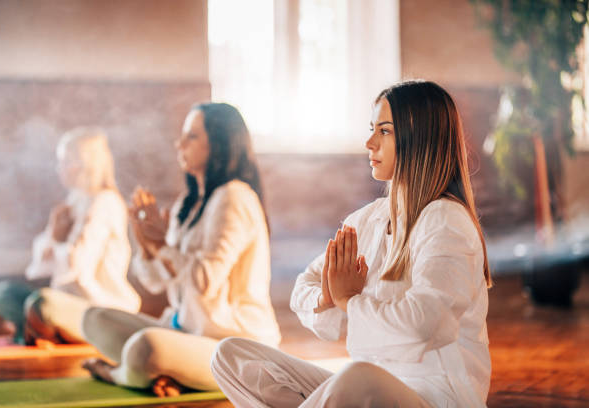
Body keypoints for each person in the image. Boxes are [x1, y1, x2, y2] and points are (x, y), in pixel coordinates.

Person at [211, 80, 493, 407]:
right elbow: (305, 285)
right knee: (231, 355)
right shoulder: (366, 220)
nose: (369, 143)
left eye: (384, 131)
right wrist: (328, 295)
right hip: (367, 388)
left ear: (419, 139)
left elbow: (423, 324)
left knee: (356, 379)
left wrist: (348, 301)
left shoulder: (446, 220)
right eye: (372, 129)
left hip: (434, 396)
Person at [81, 103, 281, 396]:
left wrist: (164, 245)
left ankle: (121, 374)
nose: (180, 144)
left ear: (220, 144)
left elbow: (205, 280)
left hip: (235, 348)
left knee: (145, 346)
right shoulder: (190, 203)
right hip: (187, 333)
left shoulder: (235, 197)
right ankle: (169, 372)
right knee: (94, 319)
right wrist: (148, 246)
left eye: (191, 136)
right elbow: (155, 282)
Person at [0, 127, 140, 345]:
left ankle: (40, 328)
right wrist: (53, 234)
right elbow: (39, 268)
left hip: (99, 309)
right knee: (4, 293)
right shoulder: (76, 199)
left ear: (86, 164)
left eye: (65, 161)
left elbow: (78, 267)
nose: (58, 168)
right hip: (68, 303)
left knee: (43, 303)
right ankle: (43, 328)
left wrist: (58, 241)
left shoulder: (105, 202)